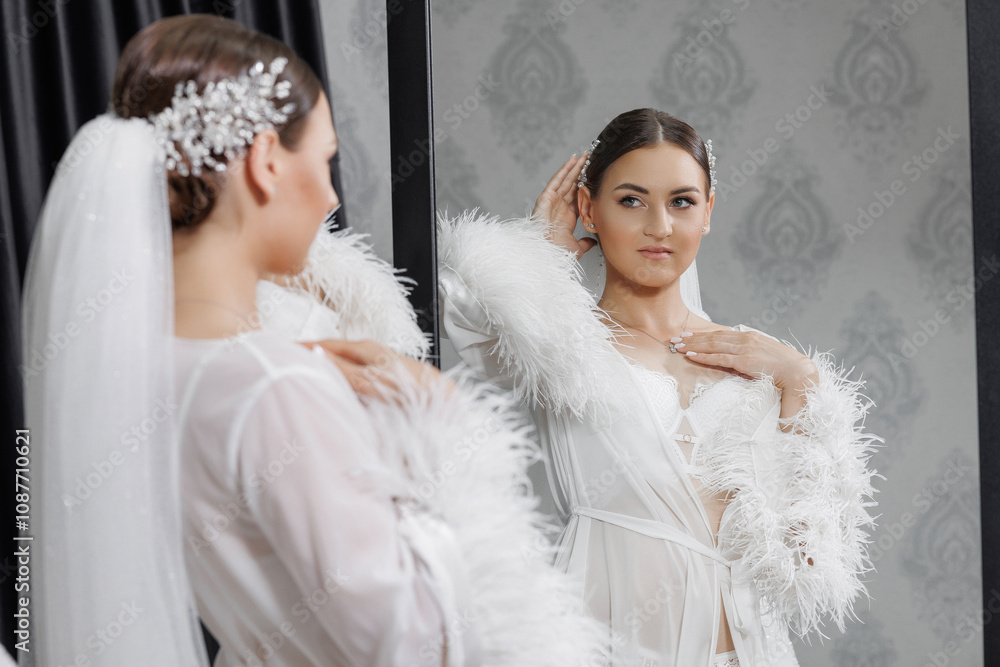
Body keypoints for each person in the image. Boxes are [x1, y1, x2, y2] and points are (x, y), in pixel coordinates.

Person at [21, 14, 606, 666]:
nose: (330, 197)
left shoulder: (147, 368)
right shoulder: (271, 382)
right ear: (267, 162)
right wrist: (441, 421)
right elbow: (413, 640)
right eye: (325, 160)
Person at [438, 108, 880, 667]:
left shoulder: (759, 359)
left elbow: (807, 560)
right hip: (606, 647)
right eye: (630, 200)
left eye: (681, 201)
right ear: (587, 209)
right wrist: (539, 257)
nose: (660, 226)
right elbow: (464, 314)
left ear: (708, 211)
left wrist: (802, 385)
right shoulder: (558, 343)